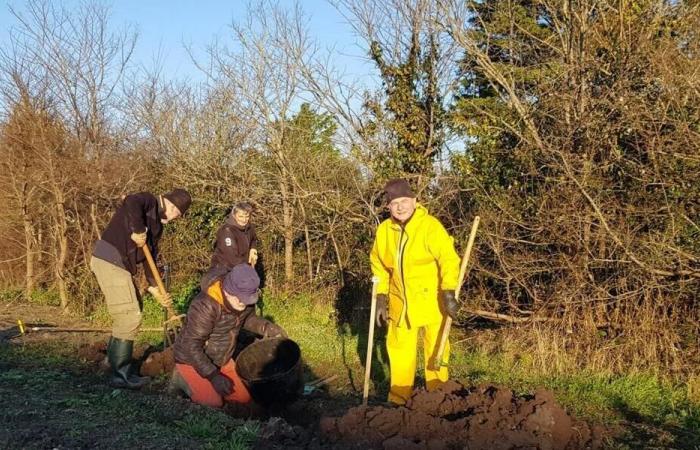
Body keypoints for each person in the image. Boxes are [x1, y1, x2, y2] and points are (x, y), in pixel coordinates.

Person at [369, 179, 461, 405]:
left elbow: (449, 260)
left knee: (436, 350)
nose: (400, 207)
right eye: (394, 203)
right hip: (400, 304)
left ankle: (438, 396)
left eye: (404, 201)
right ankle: (399, 399)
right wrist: (381, 296)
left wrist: (449, 292)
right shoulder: (384, 231)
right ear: (388, 206)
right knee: (400, 352)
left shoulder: (430, 226)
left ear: (414, 201)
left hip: (433, 301)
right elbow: (378, 264)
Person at [90, 188, 192, 389]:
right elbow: (130, 201)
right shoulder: (148, 201)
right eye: (177, 214)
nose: (174, 219)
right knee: (129, 315)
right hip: (109, 258)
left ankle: (110, 363)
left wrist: (155, 289)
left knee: (134, 307)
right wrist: (137, 230)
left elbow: (149, 259)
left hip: (118, 264)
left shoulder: (156, 227)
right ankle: (120, 375)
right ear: (171, 205)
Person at [171, 263, 287, 408]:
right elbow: (191, 345)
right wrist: (213, 376)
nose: (243, 304)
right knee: (213, 404)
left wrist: (267, 327)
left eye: (247, 300)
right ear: (228, 291)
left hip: (222, 358)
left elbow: (247, 319)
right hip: (191, 360)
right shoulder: (205, 306)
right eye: (240, 299)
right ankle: (181, 377)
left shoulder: (244, 298)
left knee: (244, 401)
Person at [201, 202, 258, 291]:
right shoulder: (227, 231)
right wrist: (247, 271)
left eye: (247, 217)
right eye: (241, 217)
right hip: (224, 270)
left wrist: (253, 249)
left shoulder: (249, 227)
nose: (244, 220)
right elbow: (232, 258)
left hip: (240, 268)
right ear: (234, 216)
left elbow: (253, 239)